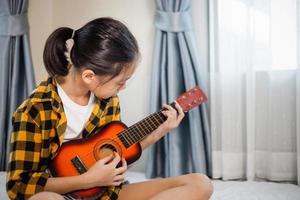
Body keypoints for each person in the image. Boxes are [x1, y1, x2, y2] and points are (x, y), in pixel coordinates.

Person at [6, 17, 213, 200]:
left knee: (201, 184)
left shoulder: (108, 100)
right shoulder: (34, 110)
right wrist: (87, 180)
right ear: (89, 76)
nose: (122, 88)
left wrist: (162, 130)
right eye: (120, 82)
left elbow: (117, 153)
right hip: (61, 194)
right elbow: (19, 186)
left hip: (106, 193)